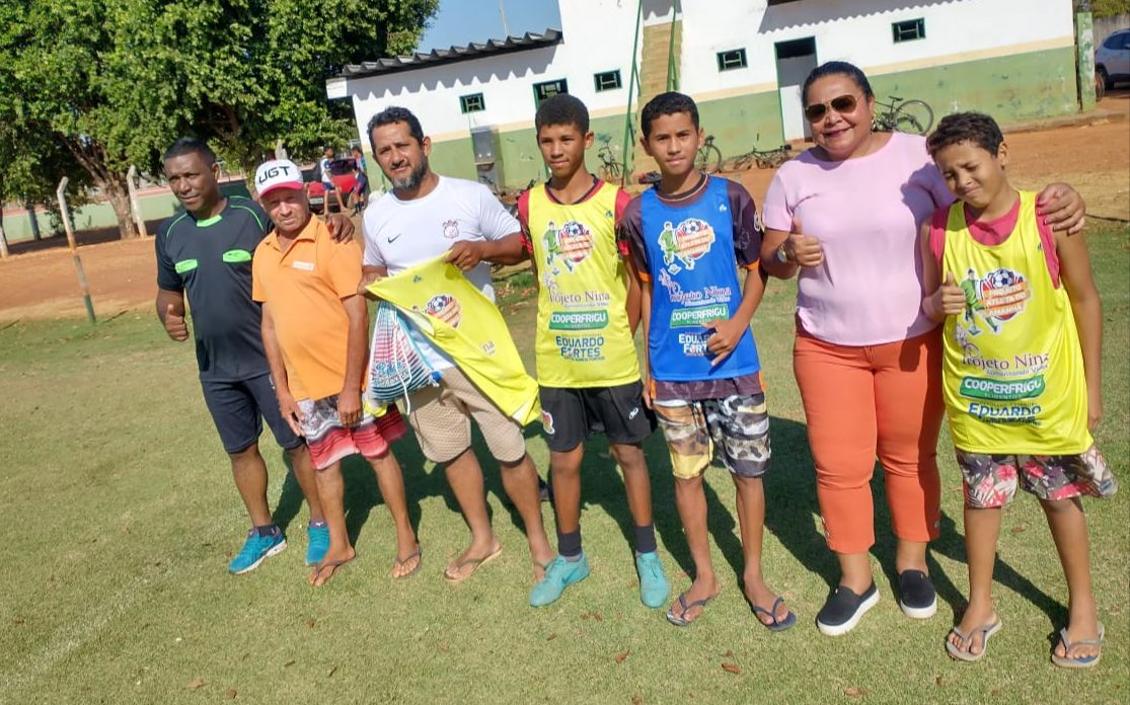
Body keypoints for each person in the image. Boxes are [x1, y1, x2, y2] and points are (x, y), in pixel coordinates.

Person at [760, 61, 1087, 636]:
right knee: (839, 465)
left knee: (909, 457)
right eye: (817, 111)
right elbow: (771, 259)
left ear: (868, 102)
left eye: (844, 104)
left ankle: (912, 563)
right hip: (827, 345)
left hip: (913, 338)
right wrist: (788, 255)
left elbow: (982, 196)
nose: (831, 119)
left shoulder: (916, 155)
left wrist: (1060, 199)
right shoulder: (793, 175)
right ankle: (854, 579)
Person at [920, 112, 1116, 667]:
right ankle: (980, 605)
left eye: (971, 166)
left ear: (1002, 153)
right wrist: (939, 306)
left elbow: (1085, 299)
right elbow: (928, 304)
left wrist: (1092, 390)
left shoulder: (1050, 217)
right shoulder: (937, 228)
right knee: (981, 504)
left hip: (1046, 403)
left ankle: (1083, 609)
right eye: (949, 173)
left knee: (1060, 501)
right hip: (978, 404)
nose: (962, 181)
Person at [486, 94, 671, 608]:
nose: (556, 149)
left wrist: (624, 332)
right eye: (547, 140)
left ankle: (647, 553)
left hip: (612, 360)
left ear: (586, 140)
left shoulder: (617, 204)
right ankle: (571, 557)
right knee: (563, 463)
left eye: (566, 139)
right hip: (558, 364)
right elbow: (519, 251)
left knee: (629, 456)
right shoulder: (530, 204)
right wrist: (480, 251)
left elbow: (639, 280)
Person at [358, 106, 554, 584]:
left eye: (403, 145)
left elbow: (518, 244)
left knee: (510, 451)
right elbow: (370, 269)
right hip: (418, 364)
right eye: (384, 151)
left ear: (424, 145)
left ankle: (540, 542)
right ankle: (483, 539)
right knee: (451, 454)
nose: (395, 157)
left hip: (477, 356)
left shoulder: (469, 197)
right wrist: (374, 278)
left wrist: (483, 250)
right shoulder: (377, 214)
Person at [620, 92, 794, 630]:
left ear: (699, 135)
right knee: (687, 474)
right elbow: (647, 292)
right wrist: (651, 367)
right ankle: (704, 574)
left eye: (682, 135)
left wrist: (739, 322)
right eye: (661, 138)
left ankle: (754, 575)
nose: (673, 146)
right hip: (674, 375)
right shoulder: (638, 213)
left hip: (734, 366)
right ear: (645, 145)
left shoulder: (731, 197)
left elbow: (757, 267)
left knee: (747, 472)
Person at [154, 137, 354, 574]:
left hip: (268, 360)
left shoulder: (249, 215)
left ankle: (320, 522)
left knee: (296, 445)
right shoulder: (169, 234)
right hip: (215, 368)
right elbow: (168, 292)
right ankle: (264, 531)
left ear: (213, 170)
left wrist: (338, 221)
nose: (184, 185)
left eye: (191, 174)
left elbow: (297, 232)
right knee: (240, 450)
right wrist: (168, 315)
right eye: (174, 179)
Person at [251, 159, 419, 587]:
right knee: (324, 466)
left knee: (378, 455)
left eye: (290, 197)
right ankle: (340, 544)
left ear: (304, 193)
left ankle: (406, 537)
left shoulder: (332, 239)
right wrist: (283, 391)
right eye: (274, 202)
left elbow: (357, 313)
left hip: (352, 383)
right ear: (263, 205)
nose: (284, 208)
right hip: (304, 387)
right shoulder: (263, 253)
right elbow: (269, 325)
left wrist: (350, 388)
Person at [315, 145, 347, 213]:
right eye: (330, 151)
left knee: (326, 194)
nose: (331, 152)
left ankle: (326, 210)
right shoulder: (326, 160)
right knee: (337, 190)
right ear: (325, 152)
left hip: (324, 179)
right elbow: (327, 171)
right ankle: (341, 207)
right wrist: (332, 180)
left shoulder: (321, 159)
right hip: (328, 179)